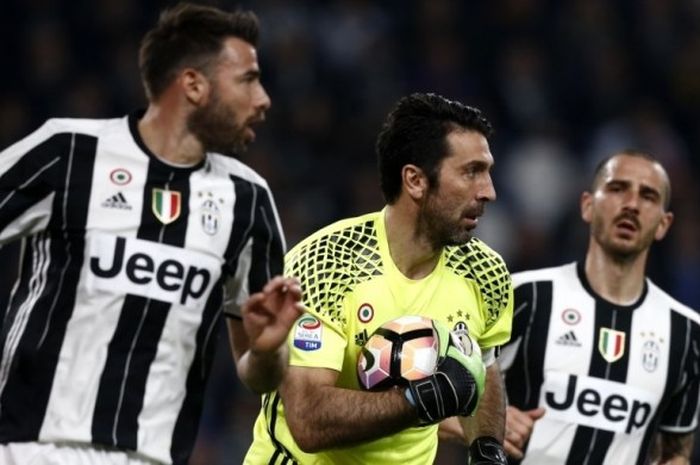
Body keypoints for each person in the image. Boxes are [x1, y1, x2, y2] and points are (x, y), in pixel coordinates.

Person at [0, 3, 304, 465]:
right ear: (193, 85)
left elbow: (257, 374)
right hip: (31, 448)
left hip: (153, 457)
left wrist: (269, 350)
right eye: (247, 79)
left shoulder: (248, 200)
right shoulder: (69, 153)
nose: (263, 98)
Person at [243, 92, 514, 464]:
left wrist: (487, 448)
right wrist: (420, 400)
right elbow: (309, 421)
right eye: (471, 172)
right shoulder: (327, 264)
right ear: (415, 181)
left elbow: (482, 368)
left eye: (487, 171)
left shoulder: (486, 272)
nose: (489, 191)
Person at [500, 151, 700, 464]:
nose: (632, 204)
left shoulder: (688, 333)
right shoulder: (526, 294)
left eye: (648, 196)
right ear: (587, 206)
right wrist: (487, 421)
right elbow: (438, 399)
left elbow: (675, 451)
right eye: (618, 188)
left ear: (663, 224)